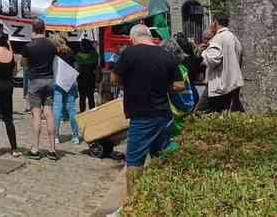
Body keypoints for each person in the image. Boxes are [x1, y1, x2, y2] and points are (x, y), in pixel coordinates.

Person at [112, 24, 184, 199]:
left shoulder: (129, 53)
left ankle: (133, 203)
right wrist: (161, 86)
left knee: (135, 161)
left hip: (141, 115)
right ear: (150, 36)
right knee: (159, 156)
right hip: (163, 115)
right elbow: (180, 85)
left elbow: (114, 79)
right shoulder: (166, 55)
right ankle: (159, 198)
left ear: (133, 38)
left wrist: (132, 83)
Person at [22, 18, 58, 160]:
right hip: (49, 80)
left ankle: (36, 149)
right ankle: (52, 149)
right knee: (49, 114)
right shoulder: (52, 46)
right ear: (44, 29)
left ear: (33, 29)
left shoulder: (29, 46)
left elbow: (24, 64)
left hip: (35, 81)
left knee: (36, 115)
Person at [201, 14, 244, 113]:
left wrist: (203, 53)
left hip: (219, 87)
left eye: (212, 23)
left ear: (215, 22)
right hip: (233, 85)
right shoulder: (234, 38)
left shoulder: (218, 38)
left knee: (212, 115)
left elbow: (212, 60)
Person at [51, 34, 80, 144]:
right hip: (70, 82)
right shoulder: (70, 52)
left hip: (58, 82)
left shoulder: (54, 53)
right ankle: (75, 135)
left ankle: (56, 135)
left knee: (57, 109)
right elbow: (76, 66)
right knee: (71, 109)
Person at [75, 38, 99, 112]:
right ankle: (92, 112)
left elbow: (77, 66)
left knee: (82, 97)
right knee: (90, 96)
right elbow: (95, 65)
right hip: (91, 77)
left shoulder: (78, 55)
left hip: (81, 77)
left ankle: (82, 112)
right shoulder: (94, 54)